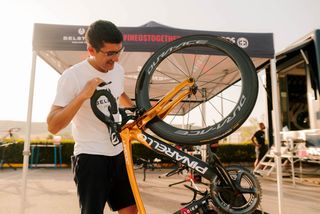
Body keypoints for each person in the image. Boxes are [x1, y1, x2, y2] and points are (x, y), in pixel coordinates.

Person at [47, 20, 137, 214]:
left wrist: (134, 110)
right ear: (91, 50)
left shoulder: (117, 70)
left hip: (117, 153)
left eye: (119, 51)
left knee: (131, 210)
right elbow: (53, 125)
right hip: (90, 156)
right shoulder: (73, 76)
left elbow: (119, 92)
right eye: (110, 54)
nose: (116, 59)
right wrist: (82, 95)